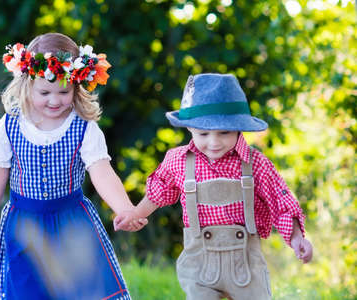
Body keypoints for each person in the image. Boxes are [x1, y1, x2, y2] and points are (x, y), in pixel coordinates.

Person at [114, 73, 313, 299]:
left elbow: (281, 201)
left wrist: (296, 238)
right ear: (189, 129)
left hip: (247, 263)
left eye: (224, 132)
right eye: (204, 133)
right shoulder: (178, 161)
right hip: (199, 264)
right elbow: (158, 193)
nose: (214, 142)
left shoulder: (255, 163)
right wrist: (136, 214)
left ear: (239, 127)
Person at [0, 32, 145, 300]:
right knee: (27, 290)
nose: (54, 101)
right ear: (27, 85)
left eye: (64, 92)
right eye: (44, 92)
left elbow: (102, 171)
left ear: (76, 87)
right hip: (24, 224)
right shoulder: (10, 126)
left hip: (72, 223)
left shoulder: (83, 127)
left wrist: (125, 208)